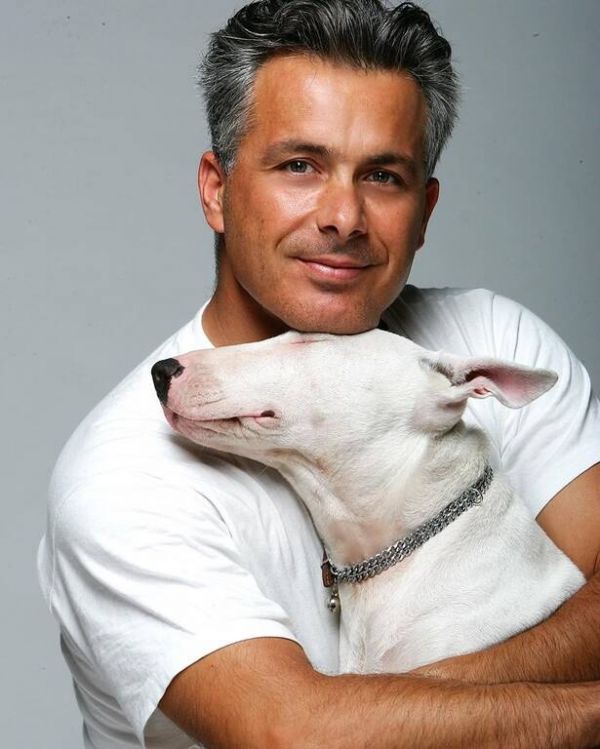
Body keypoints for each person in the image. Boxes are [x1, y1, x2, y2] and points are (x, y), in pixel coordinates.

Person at [38, 1, 600, 747]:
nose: (344, 216)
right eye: (299, 165)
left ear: (425, 211)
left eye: (383, 175)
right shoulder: (125, 477)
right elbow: (296, 734)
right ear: (216, 189)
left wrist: (420, 699)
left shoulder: (489, 341)